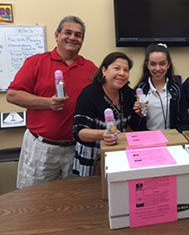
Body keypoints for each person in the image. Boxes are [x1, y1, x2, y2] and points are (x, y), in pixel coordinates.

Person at [6, 15, 98, 188]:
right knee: (34, 199)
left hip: (75, 149)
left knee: (73, 201)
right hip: (42, 148)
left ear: (82, 40)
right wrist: (48, 103)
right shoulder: (36, 62)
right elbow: (13, 95)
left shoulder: (90, 69)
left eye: (78, 35)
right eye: (67, 32)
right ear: (57, 35)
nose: (72, 38)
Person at [72, 52, 140, 177]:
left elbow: (131, 126)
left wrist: (139, 114)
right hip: (92, 158)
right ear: (104, 70)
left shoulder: (128, 93)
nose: (122, 73)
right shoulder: (90, 94)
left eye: (126, 70)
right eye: (116, 68)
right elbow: (79, 132)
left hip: (118, 155)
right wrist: (102, 134)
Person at [133, 44, 189, 132]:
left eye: (162, 64)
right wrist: (139, 115)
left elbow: (183, 120)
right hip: (147, 138)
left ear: (168, 65)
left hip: (173, 138)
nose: (158, 68)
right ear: (147, 65)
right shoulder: (140, 89)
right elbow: (133, 124)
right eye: (153, 64)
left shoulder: (176, 89)